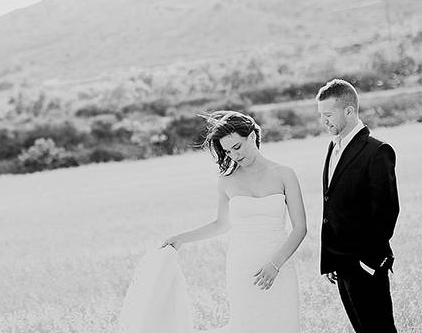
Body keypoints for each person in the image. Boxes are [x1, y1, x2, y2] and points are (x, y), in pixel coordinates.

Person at [157, 110, 307, 332]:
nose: (234, 156)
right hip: (241, 268)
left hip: (280, 267)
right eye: (228, 151)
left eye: (237, 147)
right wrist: (181, 239)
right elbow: (221, 224)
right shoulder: (227, 181)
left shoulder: (285, 174)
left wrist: (275, 265)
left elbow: (300, 228)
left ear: (253, 137)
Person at [317, 79, 399, 333]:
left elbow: (386, 212)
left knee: (380, 330)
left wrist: (367, 261)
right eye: (321, 115)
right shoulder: (334, 147)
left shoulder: (377, 151)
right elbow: (332, 206)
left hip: (365, 265)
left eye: (328, 115)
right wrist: (331, 259)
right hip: (341, 264)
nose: (324, 121)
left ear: (349, 111)